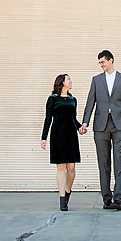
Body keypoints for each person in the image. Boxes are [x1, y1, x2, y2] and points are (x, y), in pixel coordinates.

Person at [79, 50, 121, 211]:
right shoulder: (96, 80)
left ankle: (119, 199)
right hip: (100, 126)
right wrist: (85, 122)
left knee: (119, 161)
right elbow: (91, 102)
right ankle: (107, 198)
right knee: (103, 164)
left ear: (111, 60)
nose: (101, 65)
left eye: (103, 62)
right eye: (100, 63)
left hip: (119, 125)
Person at [41, 73, 81, 211]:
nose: (71, 81)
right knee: (60, 167)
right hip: (57, 135)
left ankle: (68, 191)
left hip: (71, 135)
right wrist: (44, 137)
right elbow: (48, 118)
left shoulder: (73, 99)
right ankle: (62, 198)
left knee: (71, 168)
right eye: (69, 79)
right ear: (62, 82)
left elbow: (73, 118)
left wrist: (80, 127)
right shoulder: (52, 99)